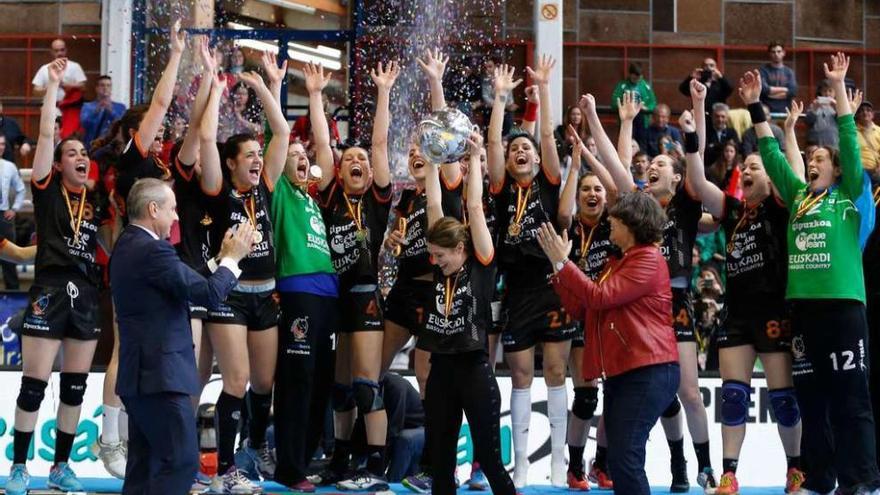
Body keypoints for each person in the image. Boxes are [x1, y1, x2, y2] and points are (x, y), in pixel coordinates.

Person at [744, 53, 880, 493]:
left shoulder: (851, 196)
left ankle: (861, 479)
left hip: (844, 309)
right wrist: (755, 106)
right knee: (812, 400)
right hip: (803, 311)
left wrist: (838, 87)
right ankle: (821, 479)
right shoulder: (799, 197)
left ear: (837, 168)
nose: (813, 161)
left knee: (851, 401)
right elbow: (770, 153)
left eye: (820, 157)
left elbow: (847, 137)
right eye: (810, 156)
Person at [582, 89, 716, 492]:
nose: (654, 167)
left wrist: (695, 109)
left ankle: (704, 467)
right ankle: (662, 462)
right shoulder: (639, 205)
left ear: (676, 178)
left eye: (662, 164)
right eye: (652, 163)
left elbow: (697, 157)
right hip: (637, 301)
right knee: (640, 387)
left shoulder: (687, 202)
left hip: (675, 299)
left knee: (689, 391)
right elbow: (615, 163)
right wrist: (593, 116)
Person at [680, 82, 806, 492]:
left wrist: (786, 135)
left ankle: (795, 467)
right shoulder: (734, 211)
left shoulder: (782, 205)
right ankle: (729, 473)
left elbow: (795, 175)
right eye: (745, 168)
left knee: (784, 399)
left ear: (772, 178)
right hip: (737, 313)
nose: (748, 171)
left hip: (774, 311)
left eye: (756, 167)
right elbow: (698, 183)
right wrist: (698, 108)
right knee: (734, 397)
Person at [4, 58, 113, 495]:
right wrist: (52, 85)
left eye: (84, 153)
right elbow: (47, 134)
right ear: (58, 164)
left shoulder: (95, 204)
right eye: (73, 154)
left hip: (87, 292)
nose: (81, 158)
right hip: (50, 289)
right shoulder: (48, 192)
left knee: (75, 386)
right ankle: (17, 468)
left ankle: (60, 467)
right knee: (34, 385)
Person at [111, 178, 254, 495]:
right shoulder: (153, 250)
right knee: (182, 462)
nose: (176, 217)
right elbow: (208, 295)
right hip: (161, 378)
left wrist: (219, 259)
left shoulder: (128, 244)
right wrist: (233, 259)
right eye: (172, 209)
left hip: (141, 378)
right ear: (153, 209)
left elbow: (181, 282)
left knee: (144, 468)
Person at [538, 192, 680, 495]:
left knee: (625, 458)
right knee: (620, 458)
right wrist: (557, 269)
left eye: (613, 222)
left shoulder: (648, 260)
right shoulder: (620, 262)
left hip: (646, 370)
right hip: (627, 371)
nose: (609, 227)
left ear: (631, 224)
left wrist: (564, 262)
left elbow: (598, 297)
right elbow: (582, 309)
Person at [95, 19, 186, 479]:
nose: (163, 127)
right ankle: (109, 436)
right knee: (124, 348)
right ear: (137, 131)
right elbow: (163, 100)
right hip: (137, 262)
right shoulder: (134, 159)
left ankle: (133, 436)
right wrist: (174, 55)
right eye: (155, 125)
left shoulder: (157, 166)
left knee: (151, 349)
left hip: (160, 262)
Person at [200, 59, 291, 493]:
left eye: (260, 155)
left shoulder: (265, 187)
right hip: (231, 295)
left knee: (263, 383)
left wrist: (265, 88)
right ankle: (223, 470)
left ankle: (255, 448)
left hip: (267, 294)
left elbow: (284, 133)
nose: (258, 159)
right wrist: (217, 88)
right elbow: (205, 136)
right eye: (250, 156)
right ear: (232, 163)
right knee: (234, 382)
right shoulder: (219, 191)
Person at [487, 56, 573, 488]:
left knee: (556, 373)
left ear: (540, 160)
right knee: (520, 376)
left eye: (529, 150)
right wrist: (501, 98)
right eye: (516, 149)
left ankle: (558, 459)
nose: (522, 152)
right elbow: (495, 148)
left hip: (552, 288)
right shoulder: (502, 189)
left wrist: (544, 87)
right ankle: (520, 462)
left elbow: (544, 134)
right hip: (517, 291)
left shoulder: (549, 180)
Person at [314, 61, 398, 492]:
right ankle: (342, 457)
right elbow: (323, 145)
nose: (358, 162)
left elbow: (381, 143)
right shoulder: (330, 198)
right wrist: (314, 96)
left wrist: (382, 91)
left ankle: (377, 466)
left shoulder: (378, 200)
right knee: (341, 388)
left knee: (367, 386)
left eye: (362, 159)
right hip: (333, 296)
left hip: (365, 293)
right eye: (350, 159)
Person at [382, 49, 463, 494]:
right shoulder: (405, 201)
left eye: (423, 148)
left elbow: (444, 132)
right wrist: (391, 244)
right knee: (370, 372)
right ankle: (367, 454)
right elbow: (398, 244)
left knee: (429, 377)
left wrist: (435, 81)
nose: (416, 154)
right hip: (404, 292)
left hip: (438, 293)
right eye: (411, 151)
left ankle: (436, 464)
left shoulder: (448, 183)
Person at [420, 131, 516, 495]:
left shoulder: (481, 264)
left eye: (440, 254)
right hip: (440, 370)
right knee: (441, 465)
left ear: (460, 248)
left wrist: (475, 158)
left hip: (475, 370)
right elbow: (433, 204)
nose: (435, 260)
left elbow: (474, 206)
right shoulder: (438, 268)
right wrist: (431, 160)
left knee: (490, 461)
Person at [269, 60, 338, 493]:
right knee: (295, 381)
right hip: (297, 291)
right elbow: (280, 142)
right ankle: (288, 467)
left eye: (303, 157)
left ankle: (306, 459)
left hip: (328, 294)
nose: (302, 160)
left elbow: (325, 150)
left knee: (320, 382)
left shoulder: (312, 195)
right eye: (293, 157)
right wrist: (277, 88)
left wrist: (315, 97)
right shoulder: (277, 191)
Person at [557, 130, 618, 491]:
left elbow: (616, 181)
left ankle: (603, 464)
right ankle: (575, 467)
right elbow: (563, 212)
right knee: (585, 394)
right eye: (586, 190)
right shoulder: (570, 227)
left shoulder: (615, 225)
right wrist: (576, 165)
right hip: (580, 314)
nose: (593, 194)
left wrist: (595, 161)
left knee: (613, 394)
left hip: (611, 314)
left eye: (598, 190)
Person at [32, 39, 87, 139]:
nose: (59, 53)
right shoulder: (45, 69)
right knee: (49, 139)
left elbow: (83, 87)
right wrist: (50, 87)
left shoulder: (75, 67)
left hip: (70, 110)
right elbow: (35, 91)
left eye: (62, 50)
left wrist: (69, 86)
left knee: (70, 138)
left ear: (66, 50)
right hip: (51, 109)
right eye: (56, 50)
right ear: (51, 52)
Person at [611, 63, 656, 151]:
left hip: (642, 118)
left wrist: (646, 108)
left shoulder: (646, 86)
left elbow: (653, 102)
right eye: (634, 77)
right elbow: (614, 100)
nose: (636, 80)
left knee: (642, 143)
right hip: (626, 118)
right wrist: (624, 105)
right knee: (626, 141)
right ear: (630, 74)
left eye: (639, 77)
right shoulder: (622, 85)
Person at [0, 135, 25, 290]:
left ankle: (13, 296)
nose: (0, 147)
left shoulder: (10, 166)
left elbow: (21, 189)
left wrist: (15, 208)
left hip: (3, 216)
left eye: (3, 144)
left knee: (9, 259)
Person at [80, 75, 127, 151]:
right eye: (102, 85)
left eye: (108, 85)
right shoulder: (87, 106)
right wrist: (97, 111)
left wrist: (111, 111)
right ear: (97, 88)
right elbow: (85, 124)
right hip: (92, 146)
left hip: (114, 147)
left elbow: (123, 124)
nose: (105, 88)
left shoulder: (120, 107)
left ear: (111, 88)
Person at [759, 42, 797, 115]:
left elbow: (793, 91)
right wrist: (785, 89)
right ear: (769, 54)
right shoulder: (763, 71)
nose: (776, 54)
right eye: (773, 52)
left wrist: (771, 94)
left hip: (785, 111)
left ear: (783, 53)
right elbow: (764, 89)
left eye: (779, 51)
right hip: (766, 112)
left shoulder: (789, 72)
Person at [805, 79, 839, 148]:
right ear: (820, 92)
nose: (827, 94)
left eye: (830, 91)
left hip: (833, 142)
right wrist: (814, 109)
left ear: (835, 93)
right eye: (825, 91)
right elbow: (808, 121)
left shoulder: (838, 107)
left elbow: (842, 121)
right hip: (816, 143)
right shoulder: (814, 105)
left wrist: (836, 107)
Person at [856, 100, 880, 179]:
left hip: (877, 170)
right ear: (857, 115)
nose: (865, 113)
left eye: (868, 110)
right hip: (859, 171)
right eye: (861, 111)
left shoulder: (878, 130)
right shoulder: (852, 131)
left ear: (872, 115)